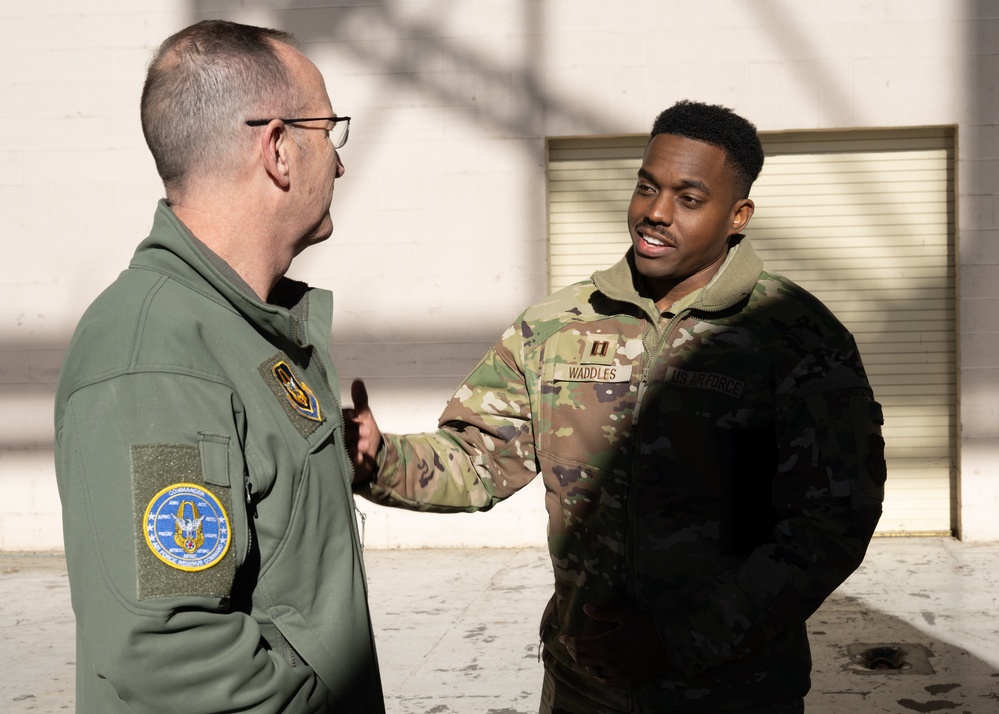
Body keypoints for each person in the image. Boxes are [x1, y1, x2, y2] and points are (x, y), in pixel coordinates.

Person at [347, 100, 886, 713]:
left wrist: (679, 642)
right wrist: (380, 458)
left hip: (735, 692)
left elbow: (832, 523)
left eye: (688, 198)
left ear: (738, 216)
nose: (655, 213)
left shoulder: (794, 338)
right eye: (646, 187)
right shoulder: (555, 326)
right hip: (586, 689)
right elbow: (476, 460)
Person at [54, 20, 384, 712]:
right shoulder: (158, 360)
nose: (341, 163)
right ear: (279, 149)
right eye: (330, 132)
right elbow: (173, 656)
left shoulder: (241, 328)